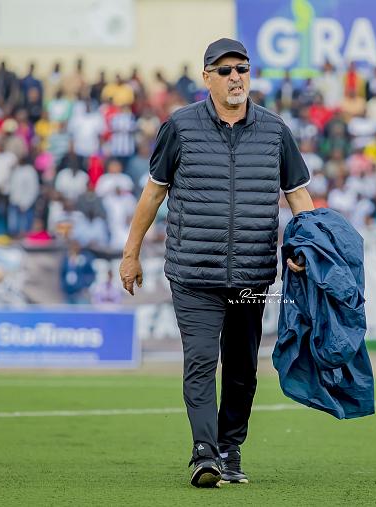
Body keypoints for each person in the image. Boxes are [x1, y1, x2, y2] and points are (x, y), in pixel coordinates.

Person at [118, 38, 314, 488]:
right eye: (224, 71)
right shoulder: (179, 126)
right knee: (202, 360)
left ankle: (230, 447)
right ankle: (204, 453)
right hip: (193, 273)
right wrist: (131, 253)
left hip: (251, 275)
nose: (235, 78)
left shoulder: (275, 130)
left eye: (241, 69)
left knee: (242, 369)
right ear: (207, 77)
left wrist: (308, 247)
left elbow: (299, 196)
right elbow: (153, 193)